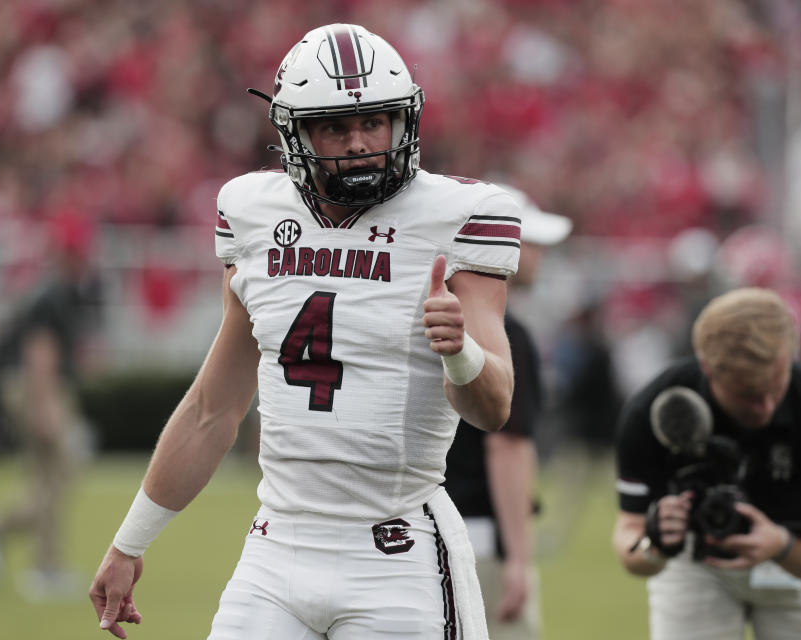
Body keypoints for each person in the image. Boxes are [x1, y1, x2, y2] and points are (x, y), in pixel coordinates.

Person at [89, 23, 523, 639]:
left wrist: (459, 353)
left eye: (376, 122)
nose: (361, 143)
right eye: (336, 128)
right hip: (276, 547)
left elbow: (496, 405)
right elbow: (215, 407)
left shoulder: (461, 217)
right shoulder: (253, 214)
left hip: (397, 552)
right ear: (296, 132)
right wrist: (130, 542)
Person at [612, 287, 801, 639]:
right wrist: (656, 541)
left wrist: (781, 544)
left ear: (791, 356)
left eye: (775, 388)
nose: (765, 406)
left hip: (798, 561)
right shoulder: (654, 409)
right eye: (747, 394)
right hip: (695, 563)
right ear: (707, 367)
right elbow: (629, 541)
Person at [444, 186, 572, 640]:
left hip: (419, 531)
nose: (536, 254)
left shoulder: (434, 316)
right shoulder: (508, 334)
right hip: (479, 537)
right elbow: (508, 448)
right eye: (528, 241)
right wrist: (519, 558)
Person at [0, 211, 101, 598]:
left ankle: (43, 564)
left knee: (48, 477)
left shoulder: (52, 290)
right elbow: (39, 353)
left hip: (29, 385)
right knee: (58, 475)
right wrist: (45, 407)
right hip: (35, 387)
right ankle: (2, 534)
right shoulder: (54, 293)